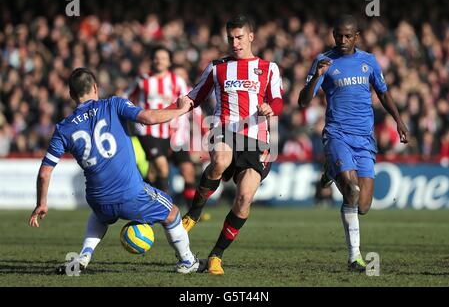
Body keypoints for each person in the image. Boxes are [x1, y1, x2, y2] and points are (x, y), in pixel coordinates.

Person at [28, 67, 202, 274]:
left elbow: (44, 172)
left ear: (71, 94)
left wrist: (42, 203)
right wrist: (181, 110)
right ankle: (187, 261)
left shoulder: (63, 128)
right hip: (130, 192)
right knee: (172, 212)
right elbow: (148, 118)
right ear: (95, 87)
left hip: (97, 198)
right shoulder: (114, 104)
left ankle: (84, 256)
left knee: (100, 216)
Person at [298, 14, 409, 272]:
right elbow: (303, 101)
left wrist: (399, 121)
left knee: (363, 206)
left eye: (348, 36)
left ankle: (328, 171)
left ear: (357, 36)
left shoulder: (368, 62)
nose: (343, 40)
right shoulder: (324, 61)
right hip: (337, 134)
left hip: (364, 139)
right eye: (338, 35)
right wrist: (317, 76)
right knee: (351, 188)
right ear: (333, 35)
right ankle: (354, 257)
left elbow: (383, 92)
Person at [181, 14, 284, 274]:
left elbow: (278, 100)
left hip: (258, 140)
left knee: (244, 198)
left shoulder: (268, 68)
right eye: (230, 38)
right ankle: (193, 214)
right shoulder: (217, 67)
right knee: (220, 160)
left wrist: (269, 108)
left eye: (239, 37)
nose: (235, 43)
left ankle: (216, 255)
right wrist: (173, 109)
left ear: (251, 36)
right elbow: (194, 96)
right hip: (225, 129)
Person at [126, 47, 196, 205]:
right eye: (157, 57)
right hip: (148, 130)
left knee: (185, 170)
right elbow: (126, 97)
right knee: (162, 168)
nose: (159, 61)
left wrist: (181, 128)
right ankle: (165, 209)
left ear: (169, 61)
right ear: (152, 60)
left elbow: (185, 104)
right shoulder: (142, 80)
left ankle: (191, 212)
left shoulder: (177, 82)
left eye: (163, 58)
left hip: (171, 133)